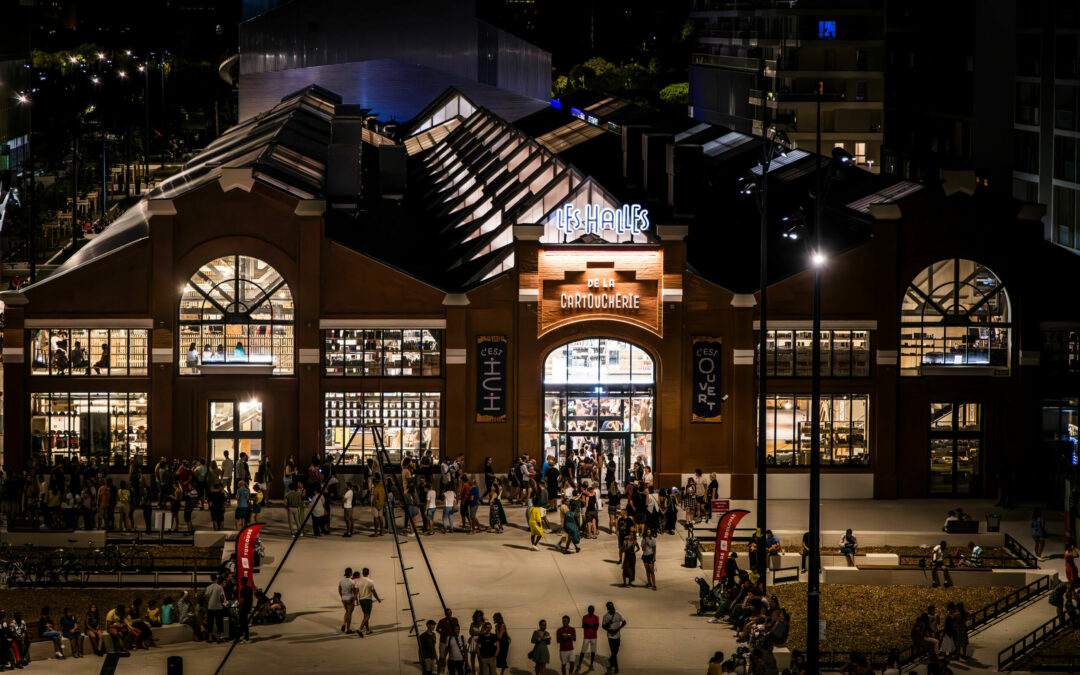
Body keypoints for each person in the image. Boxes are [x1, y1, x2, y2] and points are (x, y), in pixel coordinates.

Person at [354, 567, 381, 635]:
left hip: (361, 600)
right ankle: (360, 629)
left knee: (365, 615)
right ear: (368, 573)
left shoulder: (358, 581)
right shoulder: (370, 581)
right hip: (368, 600)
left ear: (362, 573)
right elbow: (373, 591)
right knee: (367, 616)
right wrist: (378, 599)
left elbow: (356, 592)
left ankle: (368, 630)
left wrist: (356, 600)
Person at [602, 602, 626, 675]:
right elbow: (603, 626)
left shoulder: (618, 614)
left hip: (617, 636)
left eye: (612, 607)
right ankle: (615, 667)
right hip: (610, 637)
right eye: (610, 607)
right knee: (613, 652)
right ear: (608, 608)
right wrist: (609, 629)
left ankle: (611, 660)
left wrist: (618, 629)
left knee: (615, 651)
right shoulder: (605, 616)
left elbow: (624, 622)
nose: (612, 608)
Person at [575, 606, 599, 672]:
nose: (590, 611)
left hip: (593, 637)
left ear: (593, 610)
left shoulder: (596, 617)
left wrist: (588, 625)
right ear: (588, 610)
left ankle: (591, 664)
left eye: (591, 610)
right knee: (583, 651)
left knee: (593, 651)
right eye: (589, 610)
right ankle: (579, 664)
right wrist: (592, 626)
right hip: (587, 637)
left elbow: (596, 627)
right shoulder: (585, 617)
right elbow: (583, 626)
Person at [205, 575, 227, 642]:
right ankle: (219, 637)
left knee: (210, 622)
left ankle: (210, 638)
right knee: (219, 622)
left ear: (211, 579)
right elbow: (222, 597)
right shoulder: (220, 587)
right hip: (218, 607)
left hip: (210, 607)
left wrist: (209, 602)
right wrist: (224, 603)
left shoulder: (208, 587)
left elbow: (206, 597)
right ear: (217, 579)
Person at [338, 567, 356, 634]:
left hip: (344, 598)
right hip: (350, 598)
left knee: (347, 612)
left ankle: (344, 624)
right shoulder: (352, 582)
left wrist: (342, 596)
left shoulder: (341, 581)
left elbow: (339, 589)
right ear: (350, 573)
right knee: (349, 614)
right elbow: (354, 591)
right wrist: (355, 599)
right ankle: (348, 629)